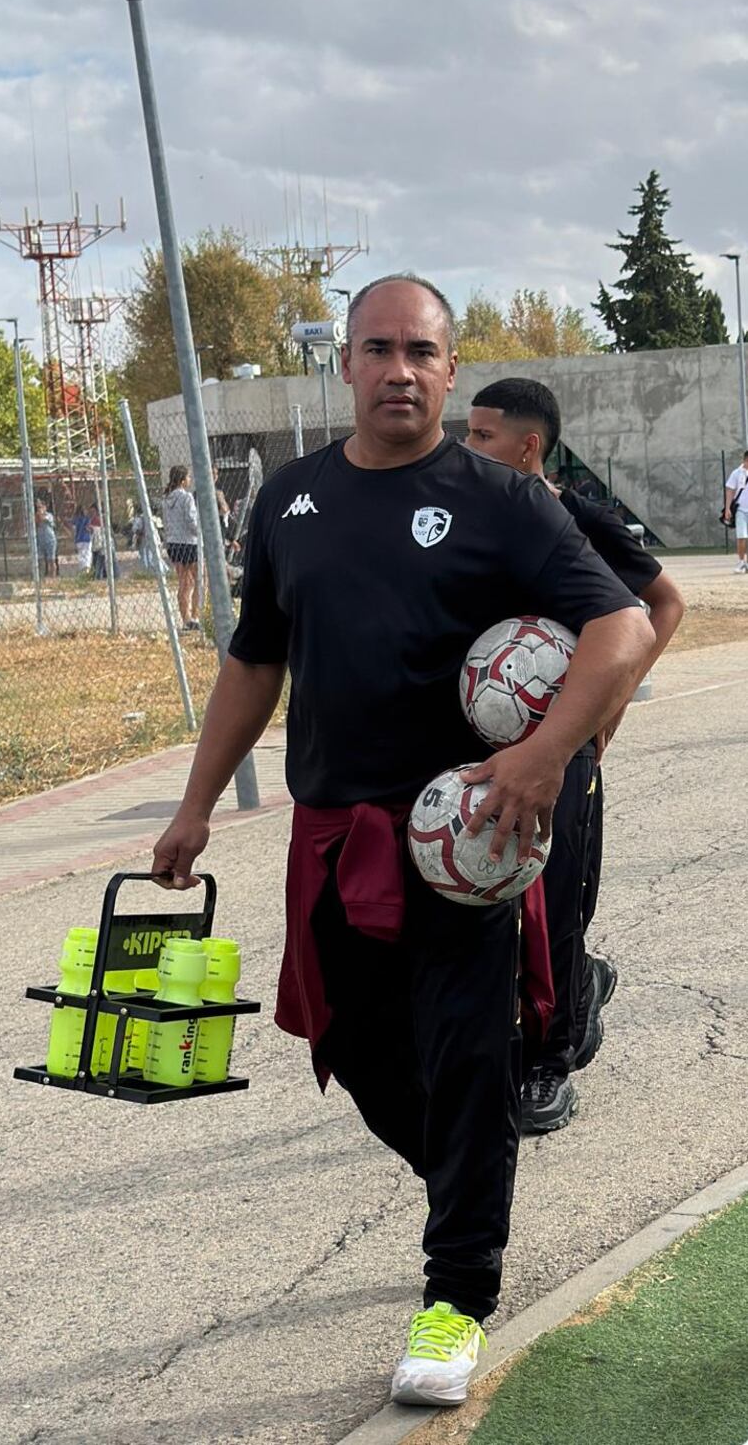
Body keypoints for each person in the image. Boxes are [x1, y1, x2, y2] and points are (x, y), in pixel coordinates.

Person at [151, 276, 653, 1409]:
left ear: (447, 366)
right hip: (335, 834)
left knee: (466, 1055)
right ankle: (468, 1180)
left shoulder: (502, 501)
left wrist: (541, 757)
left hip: (466, 838)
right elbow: (253, 663)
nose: (398, 370)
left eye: (420, 352)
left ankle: (455, 1292)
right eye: (377, 349)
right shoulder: (289, 501)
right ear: (345, 364)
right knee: (363, 1052)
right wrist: (193, 805)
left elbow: (622, 624)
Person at [466, 379, 684, 1133]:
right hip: (480, 745)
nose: (469, 448)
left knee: (555, 899)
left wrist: (614, 700)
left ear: (528, 446)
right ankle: (571, 989)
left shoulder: (580, 520)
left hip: (563, 748)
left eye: (484, 435)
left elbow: (666, 604)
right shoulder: (467, 520)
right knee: (481, 890)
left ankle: (549, 1060)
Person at [163, 466, 200, 630]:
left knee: (183, 583)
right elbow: (191, 521)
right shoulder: (187, 498)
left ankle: (186, 620)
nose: (190, 480)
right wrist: (201, 531)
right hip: (189, 542)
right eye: (188, 477)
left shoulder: (167, 499)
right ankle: (196, 616)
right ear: (183, 480)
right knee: (199, 580)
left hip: (173, 543)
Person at [724, 449, 748, 572]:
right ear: (745, 460)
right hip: (740, 510)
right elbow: (730, 491)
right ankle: (741, 562)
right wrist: (727, 508)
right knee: (741, 537)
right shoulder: (737, 473)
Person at [35, 500, 58, 578]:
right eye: (38, 507)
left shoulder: (49, 515)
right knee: (41, 559)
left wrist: (41, 513)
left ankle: (53, 576)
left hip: (50, 540)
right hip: (41, 540)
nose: (39, 509)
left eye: (40, 507)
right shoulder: (36, 516)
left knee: (51, 560)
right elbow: (37, 522)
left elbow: (43, 519)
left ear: (45, 507)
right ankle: (42, 576)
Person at [71, 504, 92, 573]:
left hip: (79, 539)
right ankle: (87, 568)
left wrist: (74, 539)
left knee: (81, 554)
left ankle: (82, 569)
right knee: (87, 554)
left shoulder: (75, 519)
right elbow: (88, 528)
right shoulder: (87, 519)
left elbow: (74, 530)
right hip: (87, 538)